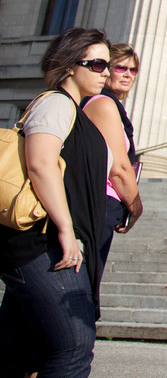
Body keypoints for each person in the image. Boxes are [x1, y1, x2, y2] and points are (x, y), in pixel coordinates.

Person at [0, 27, 111, 378]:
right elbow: (41, 163)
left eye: (106, 64)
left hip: (49, 243)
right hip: (41, 242)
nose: (106, 72)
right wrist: (65, 229)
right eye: (96, 64)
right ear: (68, 66)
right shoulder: (55, 102)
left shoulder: (77, 111)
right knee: (74, 347)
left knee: (16, 352)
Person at [80, 42, 143, 268]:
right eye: (120, 68)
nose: (128, 75)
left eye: (133, 70)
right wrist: (136, 206)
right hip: (99, 203)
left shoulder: (113, 105)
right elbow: (118, 167)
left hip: (104, 203)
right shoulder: (102, 103)